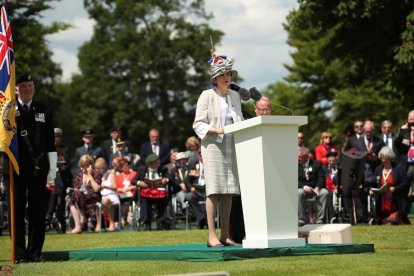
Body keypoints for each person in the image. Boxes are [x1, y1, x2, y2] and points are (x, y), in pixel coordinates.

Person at [3, 74, 56, 263]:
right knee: (15, 212)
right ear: (16, 89)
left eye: (31, 85)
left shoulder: (44, 109)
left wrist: (53, 170)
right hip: (13, 167)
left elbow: (51, 142)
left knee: (37, 212)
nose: (28, 88)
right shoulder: (6, 110)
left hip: (38, 169)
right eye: (23, 86)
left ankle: (35, 253)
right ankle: (19, 254)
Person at [193, 52, 244, 247]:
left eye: (229, 73)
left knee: (229, 190)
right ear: (215, 78)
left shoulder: (235, 95)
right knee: (214, 190)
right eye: (223, 74)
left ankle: (225, 236)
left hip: (232, 145)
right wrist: (215, 130)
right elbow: (198, 123)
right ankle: (212, 236)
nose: (227, 77)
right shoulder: (206, 95)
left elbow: (238, 118)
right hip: (213, 145)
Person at [132, 154, 172, 230]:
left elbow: (170, 177)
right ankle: (146, 222)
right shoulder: (142, 169)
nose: (156, 165)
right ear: (149, 164)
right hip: (146, 193)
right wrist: (139, 183)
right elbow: (133, 180)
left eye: (156, 162)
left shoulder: (162, 169)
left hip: (160, 193)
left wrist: (166, 180)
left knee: (163, 200)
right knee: (144, 200)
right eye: (153, 163)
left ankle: (162, 221)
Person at [371, 147, 410, 224]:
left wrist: (395, 188)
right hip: (382, 202)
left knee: (393, 219)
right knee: (383, 221)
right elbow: (374, 183)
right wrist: (374, 191)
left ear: (390, 158)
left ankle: (395, 218)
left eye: (385, 158)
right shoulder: (378, 169)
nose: (383, 160)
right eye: (382, 158)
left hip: (395, 201)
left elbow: (405, 183)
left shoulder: (398, 168)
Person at [68, 154, 102, 234]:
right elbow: (76, 189)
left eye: (86, 166)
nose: (84, 168)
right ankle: (78, 227)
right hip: (81, 200)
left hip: (93, 199)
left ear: (91, 165)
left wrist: (90, 176)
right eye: (82, 166)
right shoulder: (79, 176)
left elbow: (96, 189)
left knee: (75, 196)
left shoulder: (96, 174)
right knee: (72, 198)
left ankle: (83, 217)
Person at [298, 147, 328, 225]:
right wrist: (304, 187)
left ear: (307, 156)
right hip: (303, 189)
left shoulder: (316, 164)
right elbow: (295, 180)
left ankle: (320, 219)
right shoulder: (296, 165)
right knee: (299, 192)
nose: (298, 158)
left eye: (300, 157)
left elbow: (321, 178)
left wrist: (317, 188)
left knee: (324, 192)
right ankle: (302, 219)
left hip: (315, 189)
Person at [394, 110, 414, 207]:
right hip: (406, 164)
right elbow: (396, 144)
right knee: (404, 189)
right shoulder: (403, 130)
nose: (412, 121)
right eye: (410, 119)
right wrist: (402, 130)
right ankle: (402, 214)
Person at [95, 157, 119, 232]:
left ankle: (111, 223)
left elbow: (115, 187)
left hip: (111, 195)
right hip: (102, 196)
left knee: (105, 201)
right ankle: (99, 223)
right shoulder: (97, 175)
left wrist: (104, 186)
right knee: (95, 202)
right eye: (97, 169)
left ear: (104, 167)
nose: (99, 170)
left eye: (100, 168)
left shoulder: (111, 173)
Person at [116, 157, 137, 227]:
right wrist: (121, 190)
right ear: (120, 167)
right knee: (117, 200)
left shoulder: (134, 174)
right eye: (122, 165)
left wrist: (129, 188)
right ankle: (121, 218)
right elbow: (115, 187)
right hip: (121, 194)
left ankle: (129, 215)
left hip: (132, 193)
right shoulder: (118, 176)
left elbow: (138, 185)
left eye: (126, 165)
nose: (125, 166)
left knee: (131, 198)